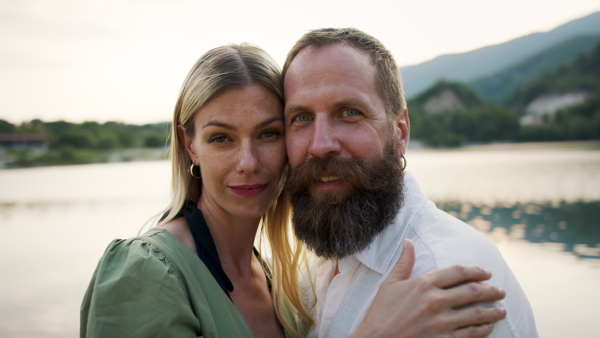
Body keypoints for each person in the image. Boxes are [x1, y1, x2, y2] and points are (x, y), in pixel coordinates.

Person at [80, 43, 507, 338]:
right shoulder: (146, 274)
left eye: (268, 133)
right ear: (190, 144)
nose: (248, 162)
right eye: (221, 138)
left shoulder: (280, 281)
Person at [282, 27, 539, 338]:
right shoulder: (328, 255)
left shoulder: (442, 285)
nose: (320, 144)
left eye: (350, 112)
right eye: (301, 118)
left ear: (400, 132)